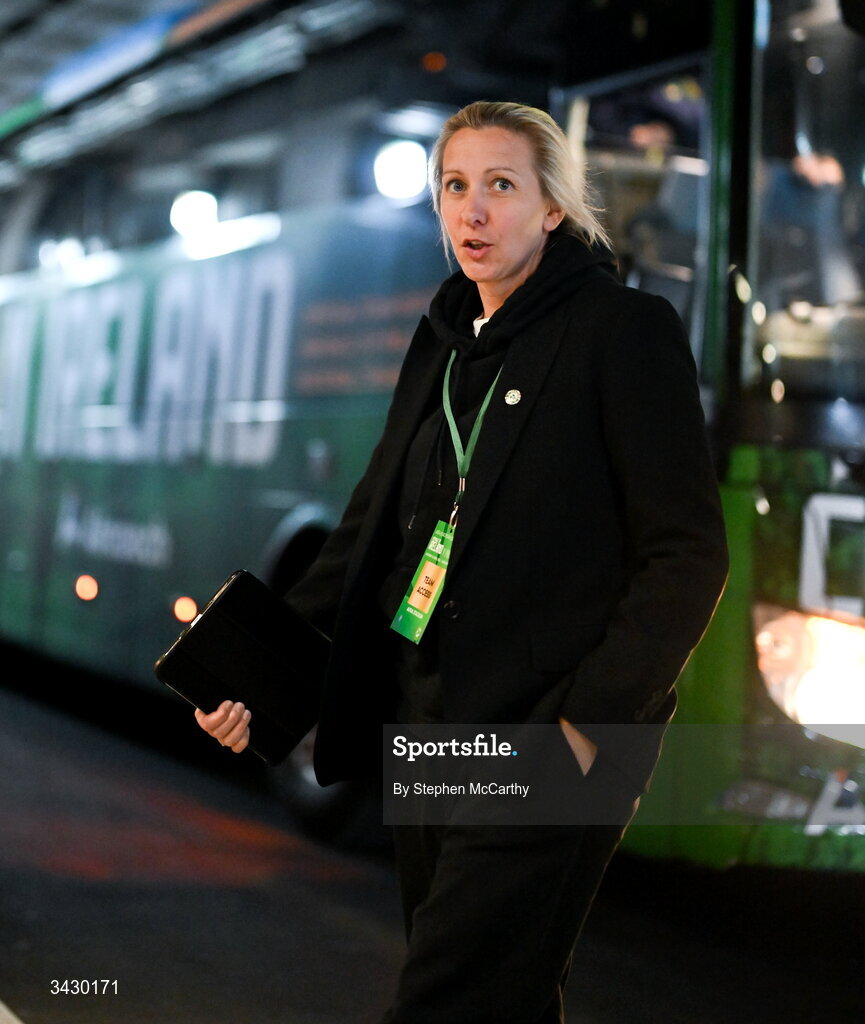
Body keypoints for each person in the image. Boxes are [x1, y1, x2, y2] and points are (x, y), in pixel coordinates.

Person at [194, 101, 729, 1022]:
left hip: (545, 735)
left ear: (553, 207)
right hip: (428, 718)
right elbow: (365, 537)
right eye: (454, 187)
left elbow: (686, 554)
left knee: (446, 994)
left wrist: (586, 725)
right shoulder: (442, 342)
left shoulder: (621, 330)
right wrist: (256, 677)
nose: (473, 211)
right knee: (500, 997)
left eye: (501, 186)